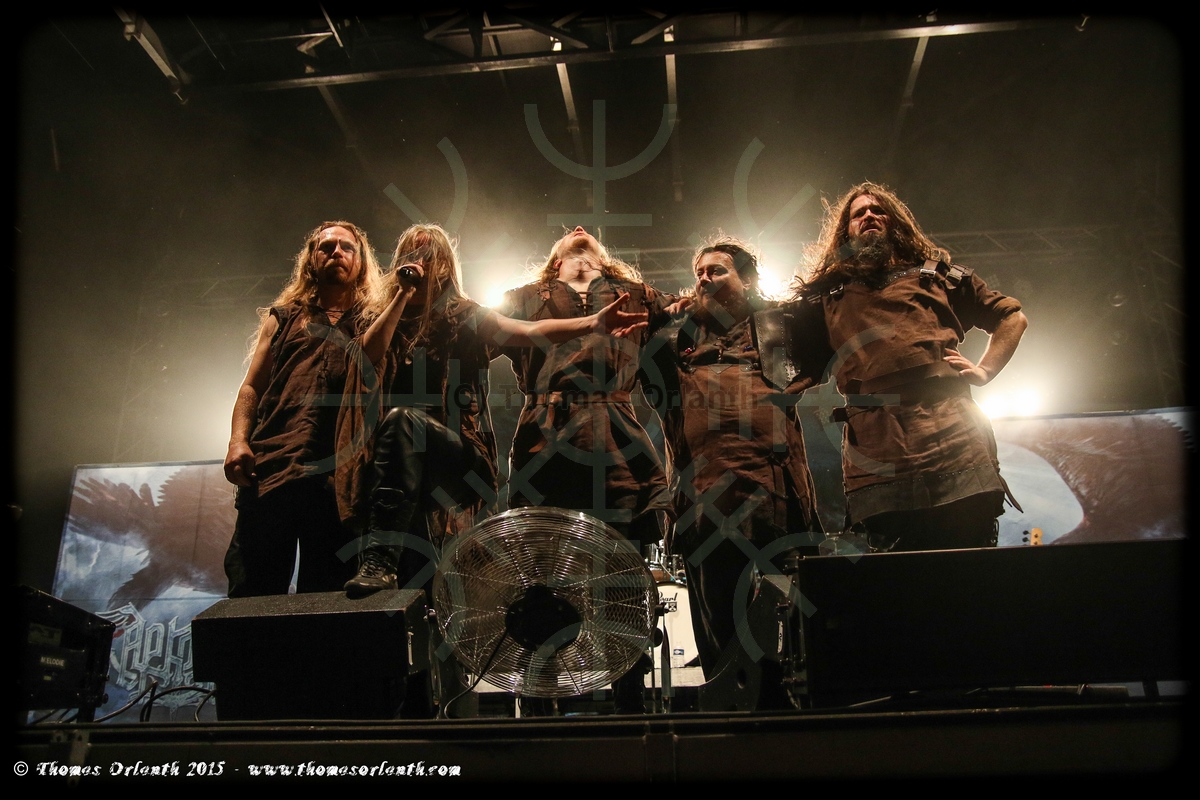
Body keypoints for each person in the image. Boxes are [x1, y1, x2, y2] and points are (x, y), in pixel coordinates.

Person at [336, 223, 648, 595]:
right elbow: (366, 357)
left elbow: (529, 332)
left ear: (445, 265)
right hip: (395, 463)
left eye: (429, 253)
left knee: (404, 422)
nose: (420, 260)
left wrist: (591, 323)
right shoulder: (379, 315)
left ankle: (379, 561)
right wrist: (403, 293)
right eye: (412, 253)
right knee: (420, 573)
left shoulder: (465, 315)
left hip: (459, 455)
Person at [788, 183, 1027, 552]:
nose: (869, 216)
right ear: (845, 231)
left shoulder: (939, 277)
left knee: (971, 567)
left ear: (895, 221)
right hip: (878, 450)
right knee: (899, 574)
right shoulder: (826, 298)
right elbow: (790, 368)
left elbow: (1011, 317)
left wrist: (985, 371)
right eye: (859, 213)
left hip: (952, 437)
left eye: (878, 210)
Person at [499, 225, 678, 712]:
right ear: (555, 260)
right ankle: (541, 703)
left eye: (588, 235)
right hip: (546, 437)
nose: (578, 230)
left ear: (605, 258)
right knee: (541, 574)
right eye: (567, 236)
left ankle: (630, 704)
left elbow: (695, 315)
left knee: (621, 573)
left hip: (615, 437)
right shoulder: (523, 297)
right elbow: (474, 333)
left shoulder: (639, 295)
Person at [640, 236, 822, 704]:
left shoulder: (779, 327)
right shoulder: (672, 339)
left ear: (748, 280)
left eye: (717, 270)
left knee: (791, 625)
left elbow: (830, 326)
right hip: (705, 503)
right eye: (698, 273)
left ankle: (795, 719)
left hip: (776, 495)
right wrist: (665, 309)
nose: (704, 279)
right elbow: (628, 327)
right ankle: (730, 723)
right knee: (719, 623)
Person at [222, 221, 386, 597]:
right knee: (252, 594)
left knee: (328, 600)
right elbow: (251, 386)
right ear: (311, 258)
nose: (336, 252)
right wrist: (237, 441)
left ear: (361, 261)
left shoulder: (373, 321)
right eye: (326, 247)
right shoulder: (284, 317)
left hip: (339, 477)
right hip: (271, 467)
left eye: (347, 247)